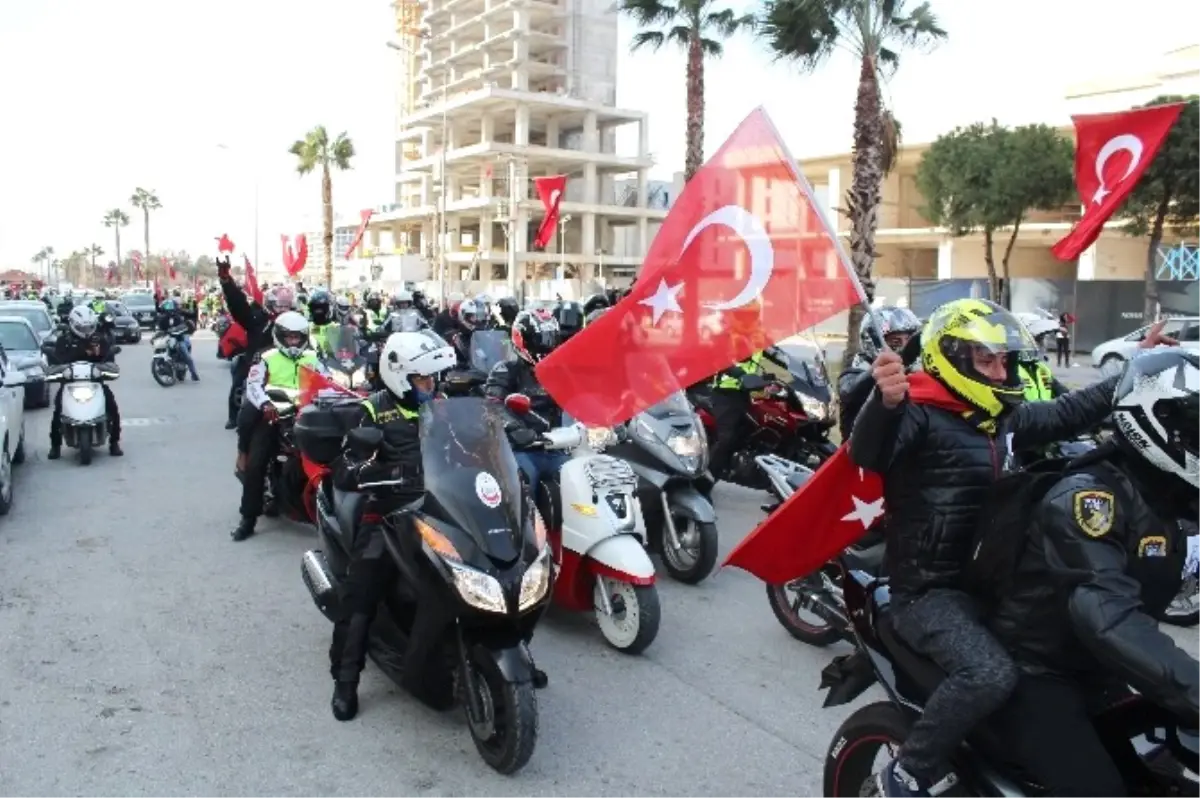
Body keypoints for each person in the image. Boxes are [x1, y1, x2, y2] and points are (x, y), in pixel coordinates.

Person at [851, 298, 1172, 798]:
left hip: (991, 581)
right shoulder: (920, 417)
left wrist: (1141, 373)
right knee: (989, 674)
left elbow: (1071, 411)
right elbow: (868, 450)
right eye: (987, 360)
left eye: (1004, 360)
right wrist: (884, 403)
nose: (1001, 371)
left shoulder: (1000, 419)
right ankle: (908, 772)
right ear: (951, 357)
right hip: (927, 594)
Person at [983, 347, 1200, 797]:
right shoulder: (1085, 501)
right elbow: (1108, 617)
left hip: (1101, 669)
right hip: (1038, 671)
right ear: (1158, 425)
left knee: (1170, 773)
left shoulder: (1176, 493)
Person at [326, 330, 456, 720]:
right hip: (388, 514)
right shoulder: (371, 412)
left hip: (441, 509)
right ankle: (345, 681)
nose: (431, 386)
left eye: (434, 379)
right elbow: (344, 466)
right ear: (400, 376)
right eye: (423, 380)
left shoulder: (443, 407)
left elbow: (472, 446)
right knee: (361, 592)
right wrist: (369, 471)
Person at [231, 311, 320, 542]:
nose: (293, 342)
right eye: (288, 337)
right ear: (279, 336)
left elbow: (328, 380)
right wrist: (265, 404)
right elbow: (253, 386)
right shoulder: (266, 356)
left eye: (297, 338)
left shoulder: (313, 356)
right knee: (256, 464)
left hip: (306, 415)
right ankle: (248, 519)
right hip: (275, 416)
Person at [484, 310, 567, 497]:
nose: (547, 345)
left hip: (558, 447)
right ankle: (526, 525)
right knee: (523, 482)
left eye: (550, 338)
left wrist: (607, 419)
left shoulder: (560, 371)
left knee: (583, 477)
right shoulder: (506, 370)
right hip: (522, 449)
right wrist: (514, 428)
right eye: (540, 339)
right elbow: (492, 405)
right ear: (522, 339)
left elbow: (582, 397)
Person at [837, 306, 921, 440]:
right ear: (873, 341)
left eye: (909, 341)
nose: (905, 347)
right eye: (895, 342)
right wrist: (878, 371)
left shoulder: (916, 372)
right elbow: (849, 391)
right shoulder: (852, 375)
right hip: (858, 455)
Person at [49, 306, 122, 459]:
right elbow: (55, 360)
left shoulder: (99, 339)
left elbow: (109, 359)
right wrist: (56, 371)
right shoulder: (64, 340)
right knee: (57, 412)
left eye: (89, 326)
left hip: (95, 381)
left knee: (112, 407)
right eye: (82, 327)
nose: (86, 330)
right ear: (73, 325)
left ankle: (114, 442)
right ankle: (55, 446)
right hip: (69, 383)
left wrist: (108, 367)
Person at [706, 351, 768, 480]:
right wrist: (739, 374)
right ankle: (707, 478)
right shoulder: (732, 336)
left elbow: (777, 358)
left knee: (749, 432)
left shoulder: (758, 338)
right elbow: (721, 359)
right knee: (725, 438)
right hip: (725, 393)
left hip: (744, 393)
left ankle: (734, 468)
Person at [156, 298, 199, 381]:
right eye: (167, 307)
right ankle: (161, 366)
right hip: (167, 337)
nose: (169, 310)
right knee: (158, 345)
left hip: (179, 337)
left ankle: (193, 373)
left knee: (186, 354)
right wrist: (156, 302)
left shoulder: (179, 313)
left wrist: (195, 307)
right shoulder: (162, 318)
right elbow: (160, 328)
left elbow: (192, 315)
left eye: (171, 307)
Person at [306, 289, 337, 354]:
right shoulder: (306, 328)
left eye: (321, 308)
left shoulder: (336, 327)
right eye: (316, 308)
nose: (318, 312)